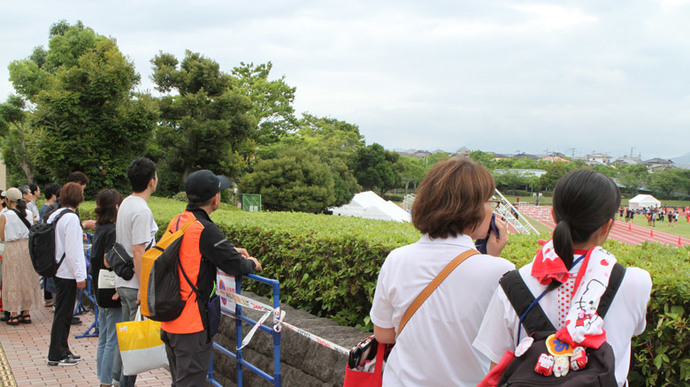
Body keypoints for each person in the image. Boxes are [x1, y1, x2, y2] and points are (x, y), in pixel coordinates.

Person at [473, 169, 652, 386]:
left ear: (553, 216)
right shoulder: (636, 282)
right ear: (607, 226)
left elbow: (497, 370)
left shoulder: (513, 284)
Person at [369, 158, 514, 386]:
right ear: (473, 209)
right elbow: (505, 348)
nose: (492, 210)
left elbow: (384, 335)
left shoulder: (396, 259)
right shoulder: (501, 270)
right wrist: (490, 257)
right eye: (490, 202)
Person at [160, 169, 262, 386]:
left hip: (170, 319)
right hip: (190, 324)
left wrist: (230, 248)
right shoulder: (205, 229)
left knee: (180, 381)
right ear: (215, 198)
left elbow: (192, 251)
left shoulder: (178, 221)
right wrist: (252, 262)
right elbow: (235, 265)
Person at [114, 157, 158, 387]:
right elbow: (138, 250)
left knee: (126, 345)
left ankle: (115, 382)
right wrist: (143, 287)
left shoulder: (126, 204)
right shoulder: (142, 210)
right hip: (135, 286)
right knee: (133, 352)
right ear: (152, 181)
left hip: (123, 281)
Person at [46, 182, 87, 366]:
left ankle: (63, 349)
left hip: (57, 268)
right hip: (67, 273)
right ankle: (57, 354)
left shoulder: (56, 214)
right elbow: (73, 251)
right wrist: (80, 276)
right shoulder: (70, 218)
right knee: (63, 314)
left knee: (62, 313)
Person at [92, 189, 124, 387]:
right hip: (111, 288)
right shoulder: (112, 230)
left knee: (104, 336)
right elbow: (107, 260)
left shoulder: (99, 228)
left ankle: (102, 377)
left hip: (99, 286)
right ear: (116, 207)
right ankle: (106, 382)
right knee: (112, 338)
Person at [0, 187, 40, 326]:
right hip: (27, 248)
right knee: (27, 278)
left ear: (7, 200)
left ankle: (14, 314)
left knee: (12, 279)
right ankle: (26, 313)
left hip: (12, 248)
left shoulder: (4, 215)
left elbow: (2, 236)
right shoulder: (28, 213)